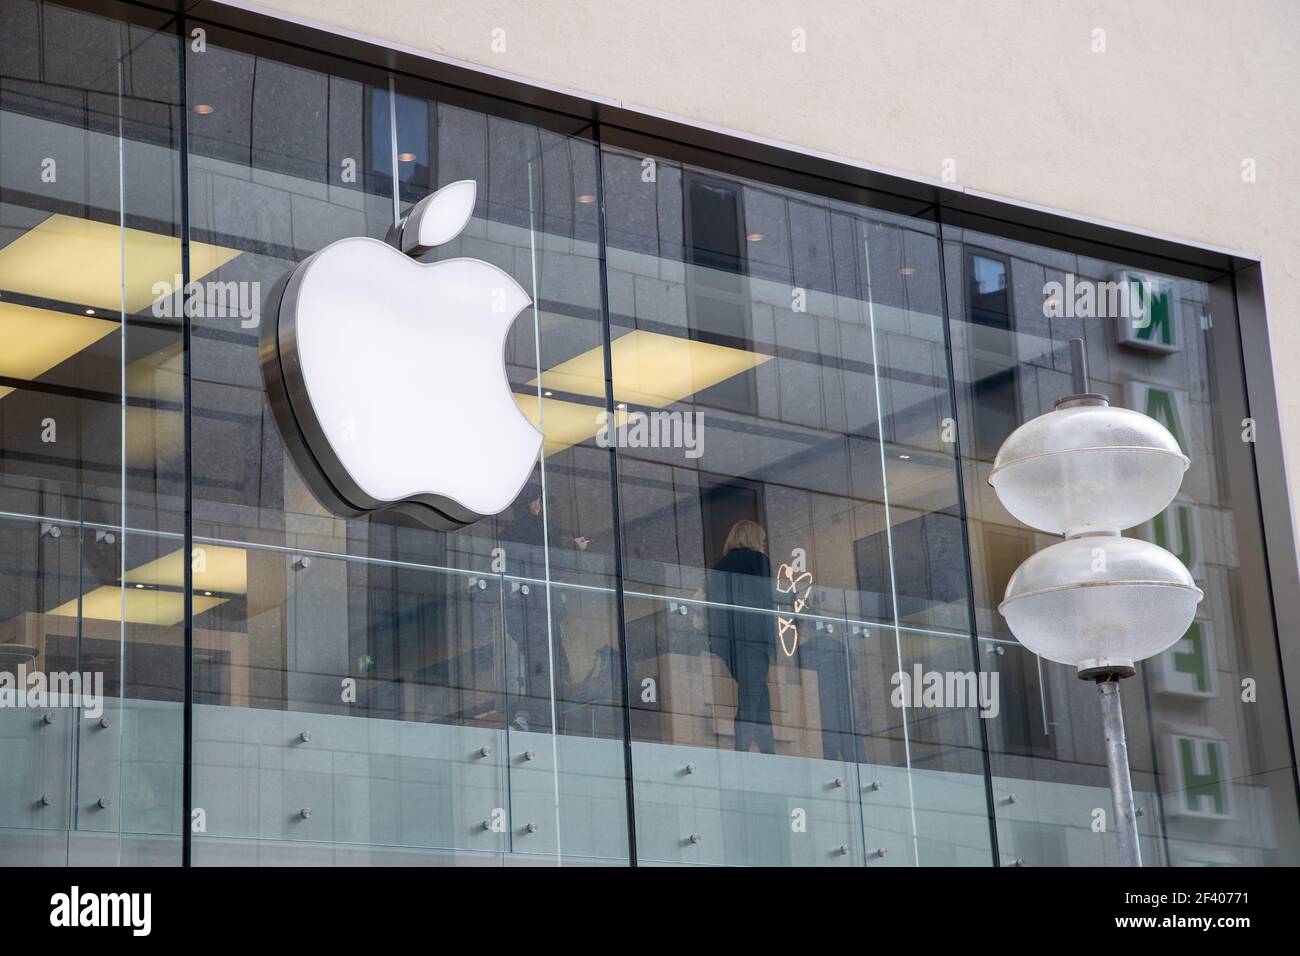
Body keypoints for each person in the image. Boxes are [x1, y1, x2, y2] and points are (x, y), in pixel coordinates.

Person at [706, 520, 777, 754]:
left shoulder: (719, 567)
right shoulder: (758, 561)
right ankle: (742, 753)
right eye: (763, 541)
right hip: (754, 639)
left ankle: (769, 755)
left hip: (728, 641)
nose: (764, 546)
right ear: (754, 539)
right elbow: (766, 597)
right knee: (751, 697)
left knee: (759, 697)